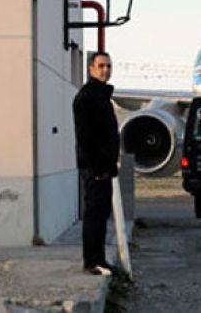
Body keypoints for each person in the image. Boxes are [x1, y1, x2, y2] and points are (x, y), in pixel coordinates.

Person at [73, 51, 120, 276]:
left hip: (104, 168)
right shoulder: (88, 97)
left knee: (101, 214)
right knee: (94, 214)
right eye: (101, 66)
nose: (105, 70)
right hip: (96, 169)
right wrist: (98, 168)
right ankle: (92, 261)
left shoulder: (100, 96)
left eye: (109, 66)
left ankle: (98, 259)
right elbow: (86, 138)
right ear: (90, 69)